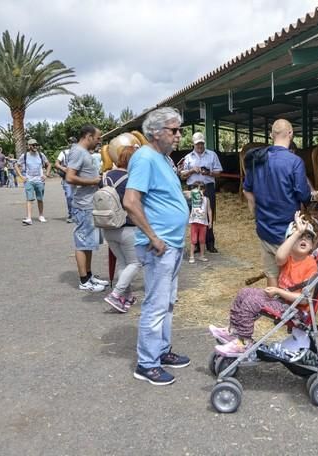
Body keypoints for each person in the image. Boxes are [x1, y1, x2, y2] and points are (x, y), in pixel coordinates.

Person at [123, 107, 190, 386]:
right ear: (156, 132)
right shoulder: (145, 158)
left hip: (171, 243)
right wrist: (153, 237)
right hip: (159, 246)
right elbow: (130, 201)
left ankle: (161, 351)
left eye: (178, 130)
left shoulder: (162, 158)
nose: (178, 136)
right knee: (156, 304)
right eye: (173, 130)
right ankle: (147, 363)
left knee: (167, 302)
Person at [210, 213, 318, 355]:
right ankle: (234, 332)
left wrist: (279, 291)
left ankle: (244, 342)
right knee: (244, 293)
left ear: (312, 245)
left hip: (296, 311)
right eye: (299, 237)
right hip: (282, 302)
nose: (304, 239)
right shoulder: (289, 258)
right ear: (290, 242)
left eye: (308, 237)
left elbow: (305, 299)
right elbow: (279, 256)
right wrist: (297, 231)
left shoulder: (311, 265)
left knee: (252, 302)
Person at [243, 119, 312, 287]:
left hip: (264, 229)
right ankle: (286, 310)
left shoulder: (257, 159)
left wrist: (255, 213)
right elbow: (304, 195)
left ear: (271, 135)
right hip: (288, 232)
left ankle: (274, 308)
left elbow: (247, 190)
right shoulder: (295, 162)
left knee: (272, 275)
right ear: (291, 134)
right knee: (290, 278)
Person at [101, 133, 143, 313]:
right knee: (135, 263)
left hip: (108, 227)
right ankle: (116, 294)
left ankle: (125, 298)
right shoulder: (130, 179)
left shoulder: (104, 176)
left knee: (123, 263)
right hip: (127, 227)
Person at [66, 125, 109, 292]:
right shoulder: (78, 151)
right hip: (83, 205)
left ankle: (89, 275)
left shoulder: (84, 153)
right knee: (82, 242)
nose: (99, 141)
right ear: (88, 136)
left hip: (89, 204)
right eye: (98, 138)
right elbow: (70, 177)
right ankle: (84, 280)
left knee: (89, 243)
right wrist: (94, 181)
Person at [180, 132, 223, 253]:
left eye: (201, 143)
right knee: (195, 215)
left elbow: (219, 172)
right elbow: (182, 175)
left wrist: (208, 172)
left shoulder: (212, 155)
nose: (199, 146)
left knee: (209, 213)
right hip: (193, 188)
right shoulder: (188, 157)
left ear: (204, 143)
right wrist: (191, 171)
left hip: (207, 187)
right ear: (193, 144)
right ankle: (197, 243)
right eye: (197, 144)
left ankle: (210, 243)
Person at [15, 139, 51, 225]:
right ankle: (29, 218)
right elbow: (16, 165)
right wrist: (21, 176)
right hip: (29, 181)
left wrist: (46, 175)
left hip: (39, 181)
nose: (35, 147)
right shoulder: (25, 156)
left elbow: (48, 164)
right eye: (33, 145)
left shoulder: (41, 155)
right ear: (29, 146)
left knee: (40, 199)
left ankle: (41, 215)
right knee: (29, 199)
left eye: (36, 145)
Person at [186, 181, 213, 263]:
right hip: (194, 221)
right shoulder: (193, 197)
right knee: (193, 240)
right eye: (197, 188)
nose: (199, 190)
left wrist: (210, 222)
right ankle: (191, 256)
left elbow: (209, 211)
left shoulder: (206, 199)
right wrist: (192, 192)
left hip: (203, 222)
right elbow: (185, 194)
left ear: (204, 189)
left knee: (202, 240)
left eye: (201, 188)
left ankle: (202, 255)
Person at [55, 137, 77, 223]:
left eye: (73, 142)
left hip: (77, 178)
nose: (72, 144)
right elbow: (56, 163)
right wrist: (63, 169)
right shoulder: (63, 153)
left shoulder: (79, 153)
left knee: (77, 197)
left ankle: (76, 214)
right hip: (67, 178)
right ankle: (71, 214)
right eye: (70, 142)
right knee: (69, 196)